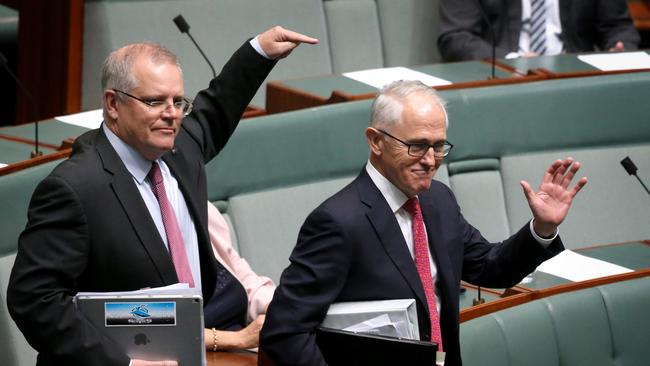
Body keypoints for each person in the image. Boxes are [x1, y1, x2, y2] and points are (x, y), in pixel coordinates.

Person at [7, 27, 317, 366]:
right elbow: (34, 300)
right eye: (155, 101)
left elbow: (216, 108)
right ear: (113, 104)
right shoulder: (74, 189)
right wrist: (122, 363)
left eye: (177, 102)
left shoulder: (179, 149)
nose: (171, 114)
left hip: (194, 346)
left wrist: (258, 52)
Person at [259, 80, 587, 366]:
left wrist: (541, 229)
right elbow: (285, 331)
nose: (430, 160)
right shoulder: (338, 222)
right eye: (416, 146)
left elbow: (489, 268)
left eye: (439, 146)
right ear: (376, 141)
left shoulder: (437, 200)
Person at [438, 0, 641, 62]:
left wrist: (620, 50)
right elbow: (456, 38)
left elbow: (618, 27)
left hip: (574, 77)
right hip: (503, 79)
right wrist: (513, 60)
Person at [203, 202, 275, 351]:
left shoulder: (202, 207)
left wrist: (280, 306)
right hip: (200, 355)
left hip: (245, 345)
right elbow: (151, 323)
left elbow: (243, 278)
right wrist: (239, 339)